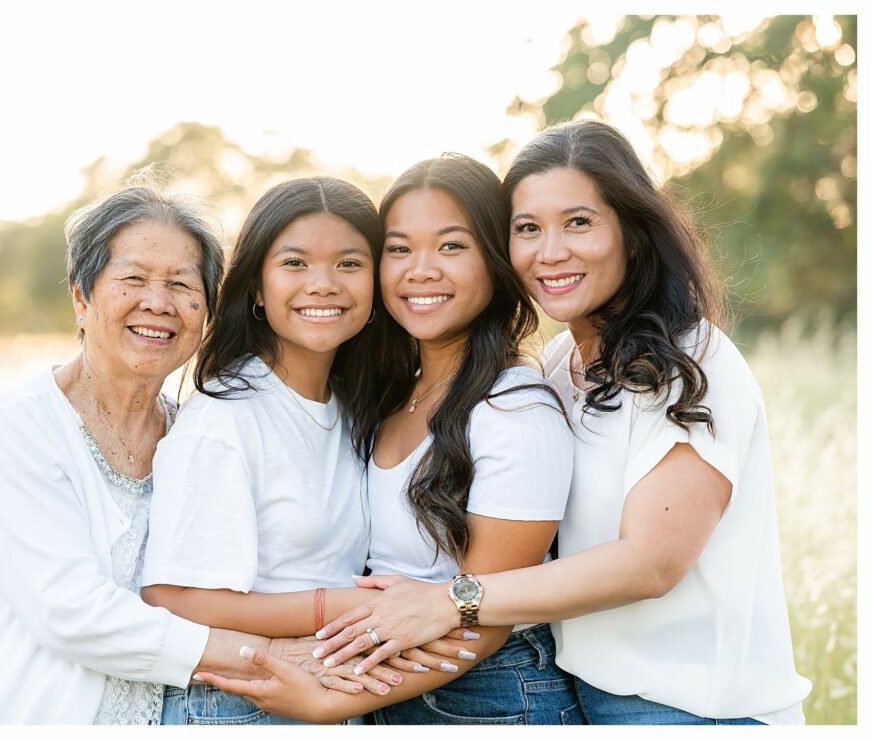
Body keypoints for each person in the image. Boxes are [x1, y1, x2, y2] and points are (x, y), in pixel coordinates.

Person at [297, 120, 813, 725]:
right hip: (584, 693)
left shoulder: (691, 360)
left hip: (693, 709)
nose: (550, 252)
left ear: (633, 232)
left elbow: (651, 562)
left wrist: (454, 599)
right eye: (527, 229)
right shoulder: (563, 364)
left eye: (579, 223)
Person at [0, 181, 374, 724]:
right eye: (133, 279)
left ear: (206, 310)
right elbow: (73, 613)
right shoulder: (22, 427)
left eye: (182, 285)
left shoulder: (188, 431)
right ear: (82, 298)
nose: (158, 303)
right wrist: (265, 657)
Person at [188, 157, 580, 724]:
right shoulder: (387, 395)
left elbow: (487, 614)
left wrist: (334, 701)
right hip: (396, 690)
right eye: (398, 249)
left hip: (490, 696)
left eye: (451, 247)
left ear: (495, 263)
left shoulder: (514, 407)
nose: (420, 270)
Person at [140, 177, 412, 725]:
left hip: (326, 689)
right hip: (239, 703)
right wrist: (343, 607)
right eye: (294, 263)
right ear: (258, 288)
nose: (323, 284)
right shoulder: (225, 419)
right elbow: (172, 598)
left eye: (349, 263)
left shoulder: (358, 406)